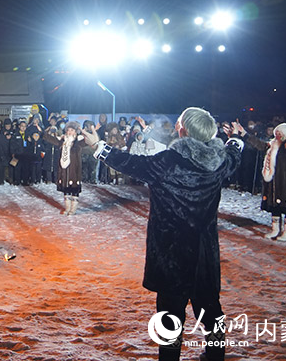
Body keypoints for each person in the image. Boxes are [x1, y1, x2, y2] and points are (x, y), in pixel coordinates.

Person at [83, 107, 243, 361]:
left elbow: (132, 164)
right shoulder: (219, 161)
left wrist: (98, 146)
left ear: (184, 131)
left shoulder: (169, 162)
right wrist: (235, 139)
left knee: (170, 315)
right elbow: (234, 154)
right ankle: (216, 355)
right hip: (204, 251)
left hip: (172, 251)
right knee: (210, 308)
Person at [232, 121, 286, 241]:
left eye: (281, 133)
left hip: (283, 181)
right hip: (272, 180)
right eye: (277, 133)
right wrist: (244, 133)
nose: (278, 135)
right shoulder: (271, 144)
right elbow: (258, 144)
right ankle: (275, 230)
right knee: (274, 204)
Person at [45, 121, 86, 215]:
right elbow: (48, 138)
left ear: (75, 131)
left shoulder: (78, 142)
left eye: (72, 130)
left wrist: (86, 131)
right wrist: (47, 131)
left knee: (74, 188)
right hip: (64, 168)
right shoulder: (62, 141)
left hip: (74, 169)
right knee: (66, 188)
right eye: (68, 130)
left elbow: (90, 140)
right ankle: (67, 208)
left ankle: (73, 209)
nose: (69, 132)